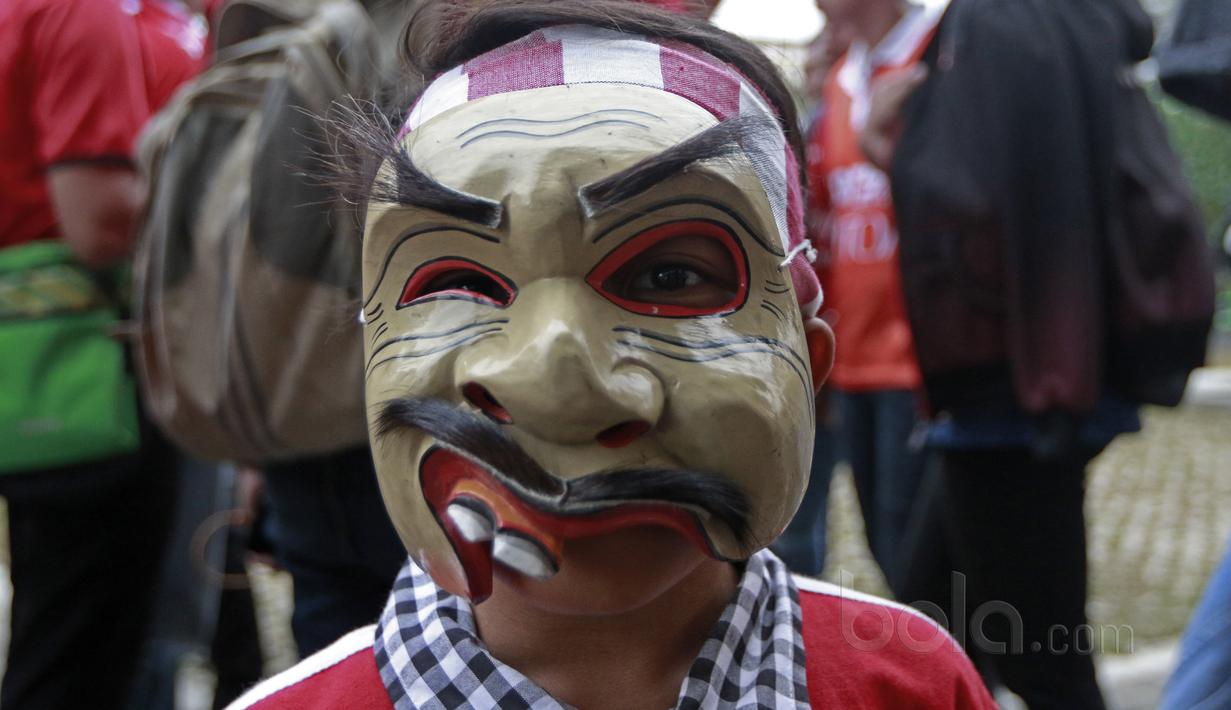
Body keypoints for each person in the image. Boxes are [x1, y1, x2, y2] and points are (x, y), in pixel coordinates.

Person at [225, 2, 997, 708]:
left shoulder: (911, 685)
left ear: (807, 359)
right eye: (458, 282)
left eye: (669, 275)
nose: (556, 383)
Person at [864, 0, 1213, 706]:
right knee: (925, 627)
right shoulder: (1066, 18)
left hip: (1011, 384)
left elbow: (972, 199)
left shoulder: (1001, 21)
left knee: (1035, 656)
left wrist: (887, 140)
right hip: (1049, 368)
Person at [0, 0, 184, 707]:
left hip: (29, 369)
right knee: (79, 654)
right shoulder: (75, 9)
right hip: (80, 367)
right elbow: (100, 220)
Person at [807, 0, 943, 593]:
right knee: (883, 543)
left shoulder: (939, 54)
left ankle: (961, 676)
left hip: (922, 357)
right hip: (855, 355)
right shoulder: (841, 77)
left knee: (923, 548)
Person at [769, 25, 849, 577]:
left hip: (844, 338)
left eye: (830, 65)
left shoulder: (831, 133)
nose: (819, 76)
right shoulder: (810, 133)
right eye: (816, 68)